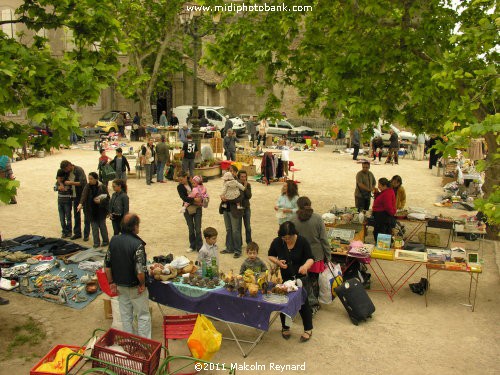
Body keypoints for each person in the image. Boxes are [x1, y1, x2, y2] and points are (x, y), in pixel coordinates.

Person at [105, 213, 151, 338]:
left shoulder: (114, 240)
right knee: (143, 316)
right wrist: (142, 284)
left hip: (120, 285)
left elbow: (107, 265)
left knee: (125, 316)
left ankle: (129, 343)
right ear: (134, 227)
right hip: (135, 287)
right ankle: (144, 344)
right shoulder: (137, 244)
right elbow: (139, 270)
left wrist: (111, 283)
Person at [268, 221, 314, 342]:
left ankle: (308, 329)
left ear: (294, 234)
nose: (287, 240)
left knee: (303, 303)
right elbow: (270, 255)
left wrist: (305, 266)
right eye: (284, 238)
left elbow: (311, 258)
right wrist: (278, 262)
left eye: (289, 238)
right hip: (286, 279)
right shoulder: (278, 241)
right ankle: (285, 327)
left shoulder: (302, 241)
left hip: (300, 279)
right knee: (284, 302)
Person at [291, 197, 331, 314]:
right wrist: (328, 255)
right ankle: (314, 304)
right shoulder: (317, 218)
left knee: (303, 281)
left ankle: (304, 303)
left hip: (301, 257)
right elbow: (323, 239)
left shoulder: (293, 220)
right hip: (316, 256)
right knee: (314, 281)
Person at [77, 172, 109, 248]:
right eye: (89, 179)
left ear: (96, 179)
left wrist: (100, 201)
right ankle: (96, 242)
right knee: (94, 228)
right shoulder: (87, 186)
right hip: (91, 210)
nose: (89, 180)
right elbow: (83, 195)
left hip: (100, 210)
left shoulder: (102, 186)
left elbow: (107, 197)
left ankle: (105, 241)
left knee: (102, 227)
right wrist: (80, 204)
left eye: (91, 179)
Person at [60, 160, 89, 240]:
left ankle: (86, 235)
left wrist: (70, 183)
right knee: (76, 215)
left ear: (69, 166)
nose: (66, 171)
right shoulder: (67, 172)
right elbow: (59, 178)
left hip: (83, 195)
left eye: (66, 169)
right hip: (74, 195)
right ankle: (77, 233)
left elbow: (82, 183)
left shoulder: (78, 170)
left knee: (86, 215)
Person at [177, 171, 203, 252]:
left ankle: (200, 246)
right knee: (191, 228)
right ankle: (192, 245)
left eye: (181, 180)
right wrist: (195, 199)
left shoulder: (193, 182)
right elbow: (184, 198)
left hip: (197, 207)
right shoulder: (179, 187)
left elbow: (201, 190)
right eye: (179, 180)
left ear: (185, 177)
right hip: (187, 209)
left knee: (198, 228)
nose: (180, 182)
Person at [372, 177, 397, 241]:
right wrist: (376, 193)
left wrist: (391, 215)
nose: (378, 186)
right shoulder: (385, 192)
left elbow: (388, 207)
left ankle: (381, 248)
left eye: (379, 185)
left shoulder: (387, 193)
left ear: (384, 186)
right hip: (381, 216)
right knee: (380, 234)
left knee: (381, 235)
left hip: (383, 218)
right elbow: (380, 200)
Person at [55, 168, 72, 238]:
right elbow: (54, 188)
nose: (60, 179)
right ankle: (64, 231)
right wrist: (58, 187)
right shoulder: (57, 182)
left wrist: (64, 187)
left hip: (67, 202)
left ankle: (69, 231)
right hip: (60, 202)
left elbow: (70, 190)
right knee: (62, 218)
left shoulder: (68, 182)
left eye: (61, 178)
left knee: (68, 217)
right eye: (59, 178)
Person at [238, 170, 253, 245]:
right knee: (239, 227)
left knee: (248, 227)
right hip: (238, 208)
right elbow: (240, 197)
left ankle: (249, 242)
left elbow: (249, 196)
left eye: (245, 177)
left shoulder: (248, 185)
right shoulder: (236, 185)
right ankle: (239, 243)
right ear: (239, 177)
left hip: (246, 208)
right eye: (242, 177)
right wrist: (243, 188)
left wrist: (245, 187)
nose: (243, 178)